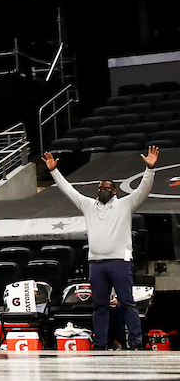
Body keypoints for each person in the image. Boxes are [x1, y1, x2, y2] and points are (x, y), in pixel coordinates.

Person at [44, 145, 158, 350]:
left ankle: (136, 343)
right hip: (96, 263)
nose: (102, 190)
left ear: (114, 191)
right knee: (99, 306)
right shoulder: (88, 205)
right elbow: (68, 190)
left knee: (127, 303)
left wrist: (149, 170)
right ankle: (99, 344)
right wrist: (53, 171)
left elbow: (143, 190)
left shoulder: (125, 204)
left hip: (120, 262)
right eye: (100, 188)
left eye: (106, 188)